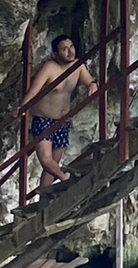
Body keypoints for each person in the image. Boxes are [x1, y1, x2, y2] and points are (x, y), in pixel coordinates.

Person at [25, 32, 97, 190]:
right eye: (64, 49)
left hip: (63, 121)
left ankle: (45, 198)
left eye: (71, 47)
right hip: (43, 119)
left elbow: (89, 80)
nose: (70, 51)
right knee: (46, 160)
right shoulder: (50, 67)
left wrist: (92, 84)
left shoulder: (77, 65)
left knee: (52, 166)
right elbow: (33, 91)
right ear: (55, 54)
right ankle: (68, 181)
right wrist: (22, 108)